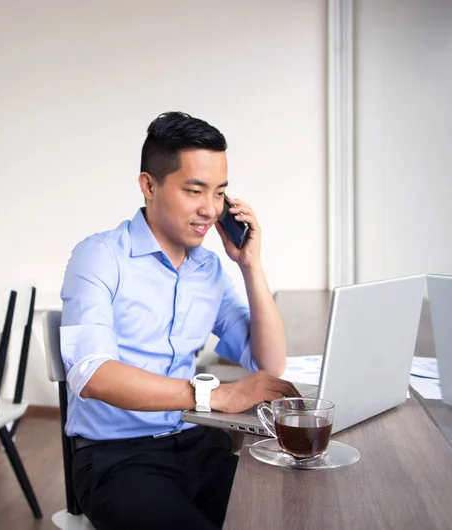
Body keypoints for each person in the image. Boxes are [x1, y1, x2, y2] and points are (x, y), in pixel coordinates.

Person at [60, 111, 299, 530]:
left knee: (285, 513)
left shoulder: (209, 269)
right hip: (117, 459)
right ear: (149, 185)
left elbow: (270, 363)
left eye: (220, 193)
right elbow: (91, 373)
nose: (209, 209)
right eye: (194, 190)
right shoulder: (99, 256)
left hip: (196, 445)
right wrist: (211, 396)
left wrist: (250, 265)